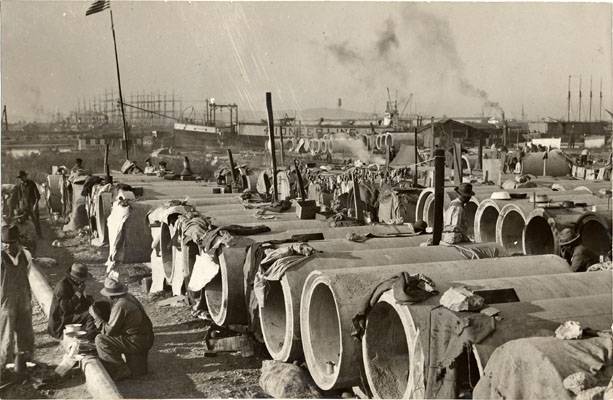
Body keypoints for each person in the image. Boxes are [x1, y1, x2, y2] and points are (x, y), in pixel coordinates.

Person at [91, 277, 154, 380]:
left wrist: (96, 317)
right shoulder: (130, 297)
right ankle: (134, 364)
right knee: (138, 371)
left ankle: (119, 370)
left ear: (110, 296)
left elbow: (108, 332)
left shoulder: (120, 305)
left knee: (100, 340)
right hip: (145, 338)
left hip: (137, 341)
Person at [0, 225, 34, 387]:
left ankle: (24, 364)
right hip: (6, 302)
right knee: (6, 336)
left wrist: (26, 296)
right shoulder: (0, 258)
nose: (7, 246)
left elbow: (26, 274)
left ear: (18, 242)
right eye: (4, 243)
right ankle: (4, 368)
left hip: (23, 299)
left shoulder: (25, 255)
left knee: (25, 333)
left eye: (11, 243)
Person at [48, 263, 97, 341]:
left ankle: (92, 333)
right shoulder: (62, 286)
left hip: (71, 314)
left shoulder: (77, 283)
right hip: (61, 320)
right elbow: (66, 309)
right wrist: (78, 293)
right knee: (91, 314)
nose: (84, 281)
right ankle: (88, 340)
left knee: (97, 308)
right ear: (75, 278)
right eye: (83, 279)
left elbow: (81, 302)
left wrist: (89, 301)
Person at [16, 170, 41, 237]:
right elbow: (19, 198)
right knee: (25, 222)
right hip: (25, 207)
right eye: (20, 178)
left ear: (25, 176)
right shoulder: (20, 186)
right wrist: (20, 207)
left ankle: (39, 235)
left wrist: (35, 205)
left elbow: (38, 196)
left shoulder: (31, 183)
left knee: (36, 221)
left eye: (21, 177)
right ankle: (28, 236)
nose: (21, 179)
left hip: (33, 205)